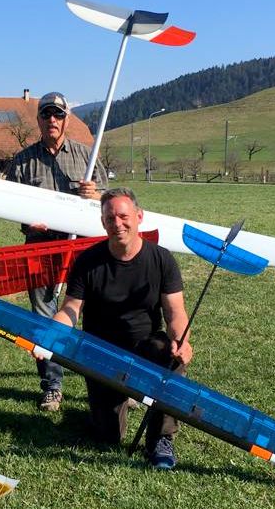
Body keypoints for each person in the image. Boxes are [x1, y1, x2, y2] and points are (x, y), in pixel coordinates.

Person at [51, 187, 191, 469]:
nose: (117, 224)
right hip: (101, 350)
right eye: (110, 218)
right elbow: (71, 309)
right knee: (109, 436)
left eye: (124, 216)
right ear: (103, 223)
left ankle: (160, 439)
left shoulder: (161, 259)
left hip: (146, 345)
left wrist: (181, 339)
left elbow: (175, 311)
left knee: (170, 356)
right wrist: (52, 332)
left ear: (139, 217)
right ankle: (107, 408)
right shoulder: (88, 261)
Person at [4, 91, 105, 412]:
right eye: (46, 114)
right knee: (44, 317)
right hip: (41, 248)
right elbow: (10, 203)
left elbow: (112, 200)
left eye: (58, 114)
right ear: (38, 119)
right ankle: (52, 386)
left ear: (66, 119)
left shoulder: (86, 156)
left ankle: (106, 386)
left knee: (95, 316)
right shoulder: (23, 161)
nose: (52, 119)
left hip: (82, 249)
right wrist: (28, 221)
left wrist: (96, 195)